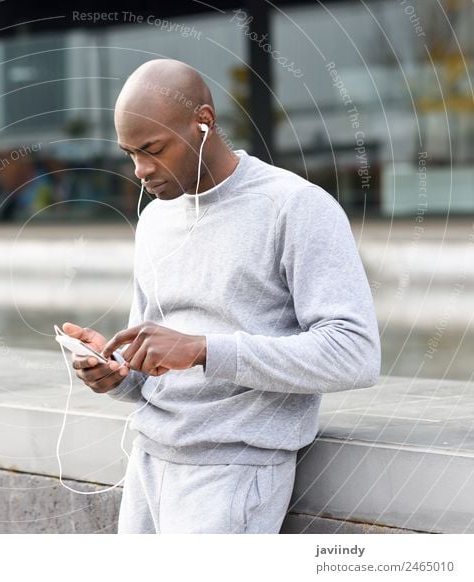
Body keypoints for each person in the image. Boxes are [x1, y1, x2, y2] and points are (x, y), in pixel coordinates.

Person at [62, 58, 380, 534]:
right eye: (129, 153)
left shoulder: (296, 207)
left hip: (233, 474)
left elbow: (355, 353)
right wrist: (115, 373)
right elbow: (154, 371)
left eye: (153, 149)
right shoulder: (155, 219)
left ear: (204, 122)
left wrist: (204, 349)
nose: (140, 170)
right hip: (148, 462)